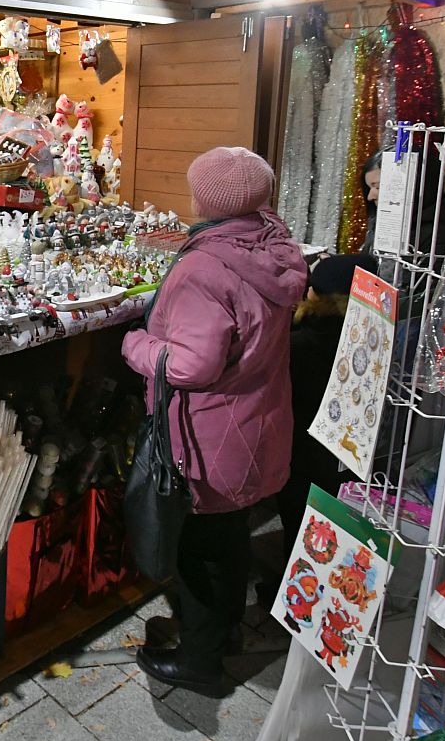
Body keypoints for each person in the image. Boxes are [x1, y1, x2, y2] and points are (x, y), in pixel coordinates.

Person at [122, 146, 308, 693]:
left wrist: (136, 344)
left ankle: (200, 662)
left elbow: (191, 365)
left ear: (206, 199)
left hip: (209, 438)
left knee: (201, 549)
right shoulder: (274, 245)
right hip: (256, 423)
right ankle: (223, 632)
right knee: (229, 538)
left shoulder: (205, 268)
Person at [277, 253, 378, 539]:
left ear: (315, 294)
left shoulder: (298, 345)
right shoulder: (371, 343)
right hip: (350, 455)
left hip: (300, 453)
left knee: (299, 525)